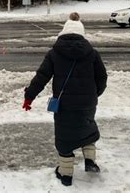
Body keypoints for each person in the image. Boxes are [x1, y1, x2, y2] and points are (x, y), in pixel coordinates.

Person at [22, 12, 107, 186]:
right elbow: (102, 78)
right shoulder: (92, 53)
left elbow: (41, 77)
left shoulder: (54, 53)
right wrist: (93, 94)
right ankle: (90, 160)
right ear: (81, 32)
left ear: (63, 32)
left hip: (65, 104)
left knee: (64, 136)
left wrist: (29, 96)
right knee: (87, 128)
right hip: (88, 102)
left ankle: (66, 175)